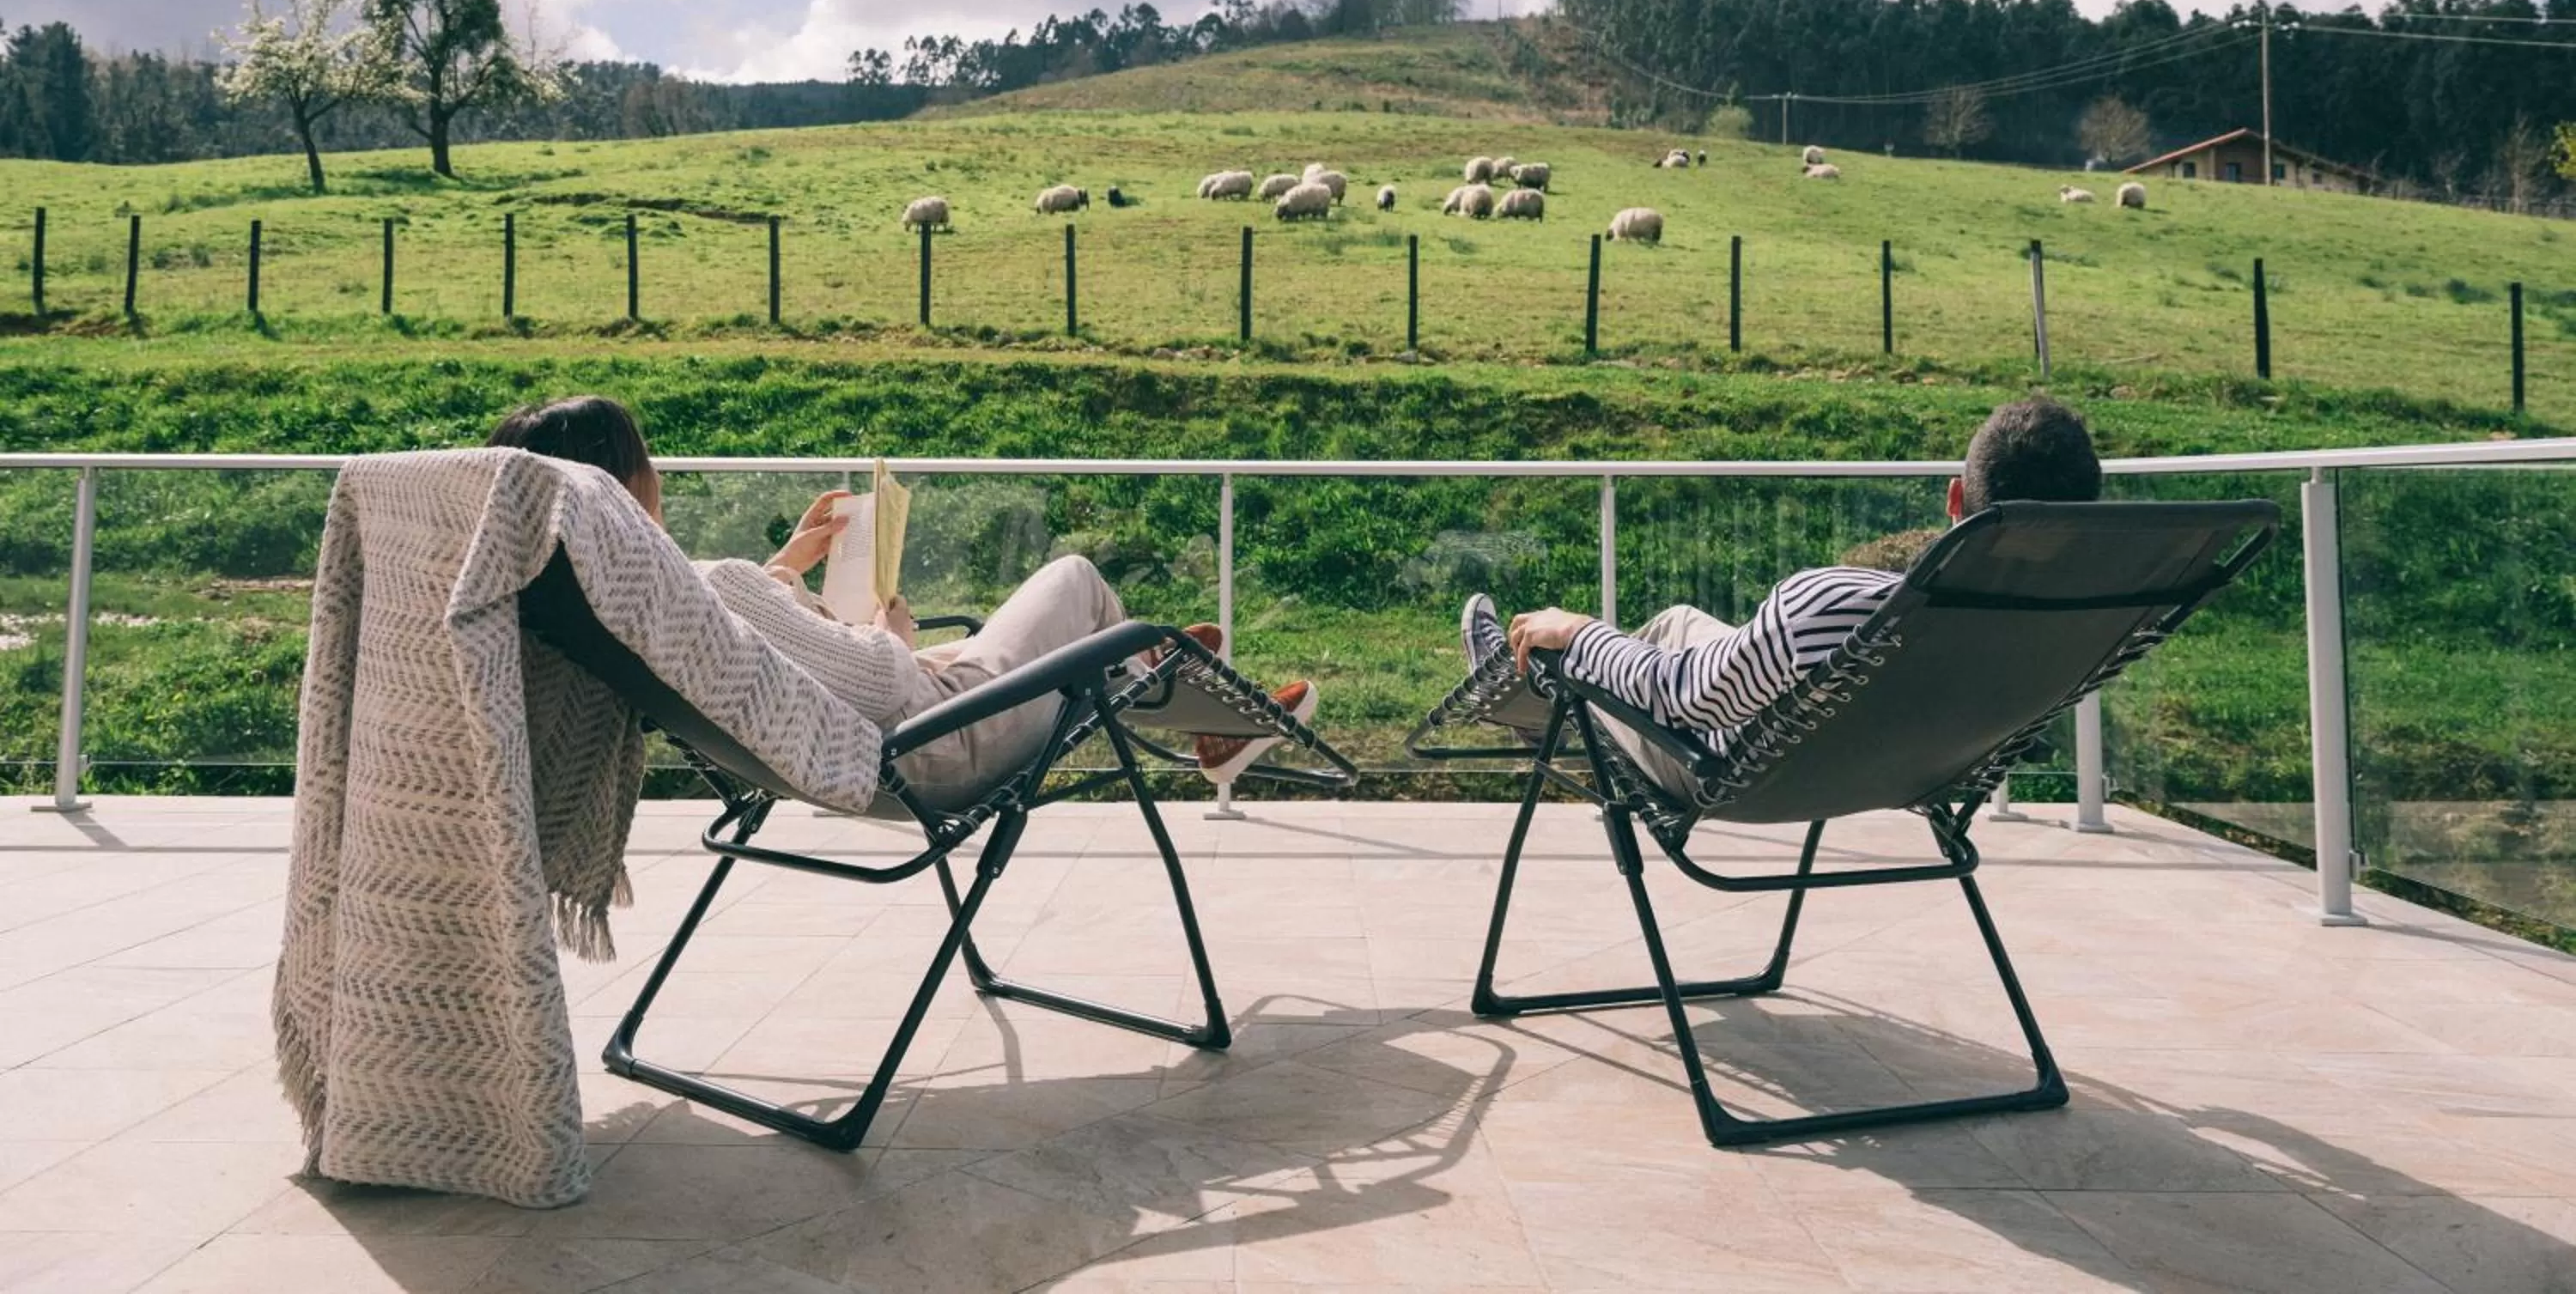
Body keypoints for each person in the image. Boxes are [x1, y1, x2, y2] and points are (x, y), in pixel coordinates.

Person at [487, 397, 1315, 805]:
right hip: (936, 744)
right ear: (625, 485)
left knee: (1059, 634)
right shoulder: (701, 584)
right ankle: (1188, 700)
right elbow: (881, 684)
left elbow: (751, 659)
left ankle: (1166, 673)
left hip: (852, 756)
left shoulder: (604, 606)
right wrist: (891, 629)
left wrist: (784, 567)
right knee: (1075, 580)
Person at [1460, 396, 2102, 797]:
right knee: (1678, 621)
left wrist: (1576, 631)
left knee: (1611, 658)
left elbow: (1682, 697)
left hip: (1740, 771)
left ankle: (1531, 688)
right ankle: (1546, 702)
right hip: (1903, 773)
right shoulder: (2081, 629)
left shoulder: (1842, 606)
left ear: (1955, 499)